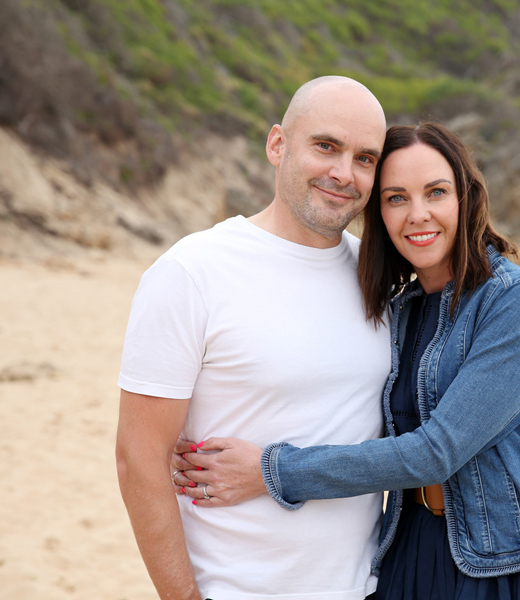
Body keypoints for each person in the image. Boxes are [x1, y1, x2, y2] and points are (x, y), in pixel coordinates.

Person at [175, 123, 520, 599]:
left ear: (465, 198)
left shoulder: (517, 300)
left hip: (517, 561)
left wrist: (271, 471)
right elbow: (353, 408)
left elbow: (435, 453)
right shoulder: (397, 311)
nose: (418, 214)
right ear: (378, 214)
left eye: (436, 192)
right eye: (396, 198)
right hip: (408, 554)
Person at [115, 76, 392, 600]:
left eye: (365, 158)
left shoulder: (378, 280)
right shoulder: (192, 271)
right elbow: (138, 458)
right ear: (277, 145)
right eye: (326, 146)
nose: (344, 173)